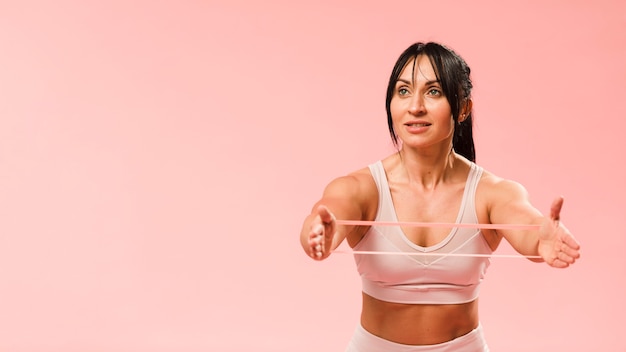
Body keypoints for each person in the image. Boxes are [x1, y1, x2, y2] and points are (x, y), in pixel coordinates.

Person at [299, 42, 581, 352]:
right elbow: (327, 217)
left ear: (462, 108)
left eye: (433, 92)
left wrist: (544, 237)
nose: (415, 106)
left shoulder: (492, 192)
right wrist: (318, 233)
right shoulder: (360, 187)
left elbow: (529, 229)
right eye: (403, 91)